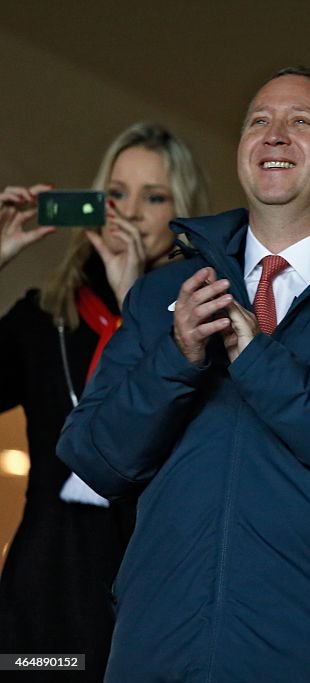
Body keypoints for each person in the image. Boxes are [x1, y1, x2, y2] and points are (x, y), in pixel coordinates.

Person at [57, 67, 310, 681]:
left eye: (300, 122)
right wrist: (177, 358)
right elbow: (95, 457)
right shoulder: (163, 294)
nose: (273, 134)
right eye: (258, 122)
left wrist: (257, 358)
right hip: (156, 652)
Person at [0, 122, 209, 682]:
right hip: (46, 591)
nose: (132, 212)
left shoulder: (203, 319)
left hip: (154, 583)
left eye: (155, 196)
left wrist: (134, 299)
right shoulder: (49, 315)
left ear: (183, 211)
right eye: (116, 193)